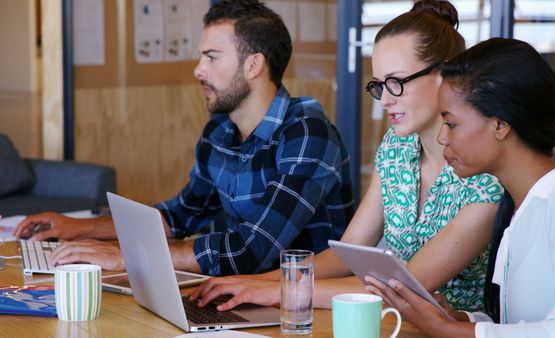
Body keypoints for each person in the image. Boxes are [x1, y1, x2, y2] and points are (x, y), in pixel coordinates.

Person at [187, 0, 503, 313]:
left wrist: (274, 290)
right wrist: (253, 283)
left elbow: (406, 286)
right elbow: (347, 253)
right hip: (394, 323)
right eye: (379, 85)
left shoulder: (484, 176)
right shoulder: (397, 148)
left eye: (396, 83)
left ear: (443, 74)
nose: (385, 101)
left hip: (453, 328)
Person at [13, 0, 355, 276]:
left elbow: (250, 250)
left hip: (302, 306)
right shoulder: (219, 132)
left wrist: (128, 256)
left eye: (211, 57)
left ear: (253, 65)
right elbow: (178, 218)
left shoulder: (307, 132)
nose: (198, 70)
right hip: (243, 294)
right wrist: (76, 228)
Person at [366, 37, 555, 337]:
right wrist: (459, 318)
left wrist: (443, 328)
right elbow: (523, 323)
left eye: (451, 123)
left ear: (500, 125)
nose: (443, 138)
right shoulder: (519, 203)